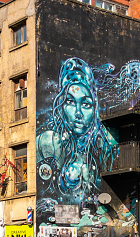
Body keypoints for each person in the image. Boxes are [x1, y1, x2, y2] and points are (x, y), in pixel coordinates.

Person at [37, 57, 115, 204]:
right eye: (70, 102)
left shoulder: (103, 148)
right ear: (61, 104)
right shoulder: (48, 143)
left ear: (94, 108)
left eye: (85, 104)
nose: (78, 112)